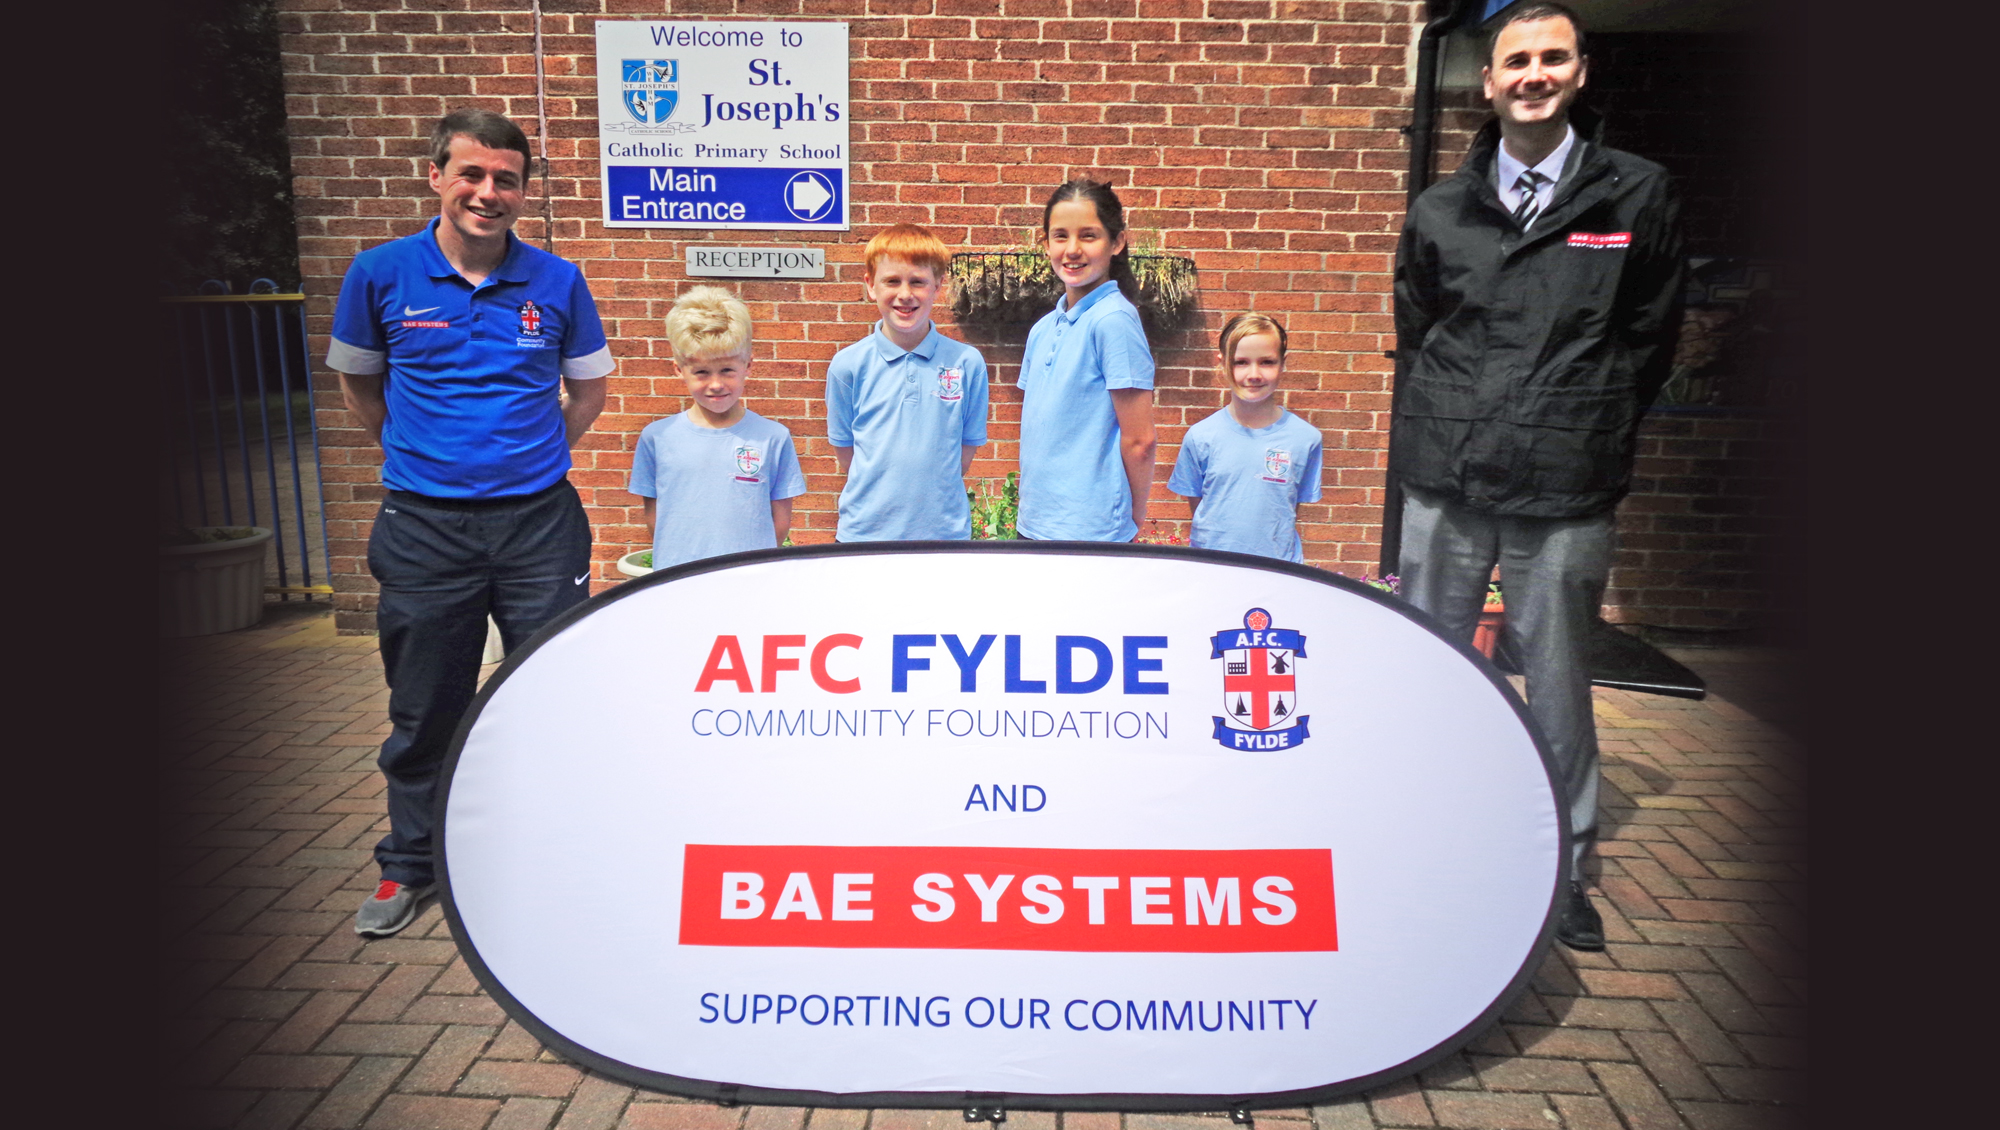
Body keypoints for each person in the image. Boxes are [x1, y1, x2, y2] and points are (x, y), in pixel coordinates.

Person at [1391, 2, 1685, 951]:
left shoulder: (1635, 196)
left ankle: (1560, 868)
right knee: (1432, 673)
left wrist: (1582, 417)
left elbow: (1650, 342)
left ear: (1580, 72)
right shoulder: (1442, 208)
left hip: (1564, 480)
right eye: (1516, 60)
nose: (1533, 75)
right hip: (1448, 477)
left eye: (1552, 57)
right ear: (1489, 81)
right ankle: (1424, 847)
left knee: (1556, 684)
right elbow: (1420, 331)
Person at [327, 109, 614, 938]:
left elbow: (588, 391)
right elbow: (360, 387)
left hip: (539, 526)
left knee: (549, 694)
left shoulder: (558, 280)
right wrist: (423, 458)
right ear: (437, 177)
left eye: (506, 180)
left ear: (524, 191)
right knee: (426, 706)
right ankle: (411, 864)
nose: (489, 193)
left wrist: (528, 459)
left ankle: (554, 856)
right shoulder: (379, 274)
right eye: (472, 175)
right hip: (424, 528)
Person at [825, 224, 990, 541]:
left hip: (943, 535)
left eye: (917, 282)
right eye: (892, 281)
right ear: (871, 286)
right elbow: (846, 449)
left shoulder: (966, 363)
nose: (905, 294)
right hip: (864, 536)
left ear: (937, 286)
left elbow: (965, 449)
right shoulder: (847, 366)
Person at [1016, 179, 1157, 542]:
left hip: (1093, 533)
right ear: (1045, 244)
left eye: (1089, 236)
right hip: (1034, 525)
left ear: (1117, 242)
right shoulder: (1043, 329)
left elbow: (1140, 440)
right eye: (1060, 236)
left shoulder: (1114, 321)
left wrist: (1133, 517)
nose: (1072, 249)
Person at [628, 286, 806, 568]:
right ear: (679, 370)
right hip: (678, 576)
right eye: (701, 372)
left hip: (749, 578)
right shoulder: (657, 438)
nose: (715, 384)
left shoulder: (773, 438)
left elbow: (780, 521)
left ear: (748, 365)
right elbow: (655, 517)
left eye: (726, 370)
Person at [1169, 314, 1324, 563]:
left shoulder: (1306, 439)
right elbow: (1200, 509)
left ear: (1283, 363)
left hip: (1278, 571)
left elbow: (1288, 509)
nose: (1254, 374)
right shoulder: (1200, 436)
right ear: (1223, 364)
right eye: (1240, 362)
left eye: (1267, 362)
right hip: (1214, 568)